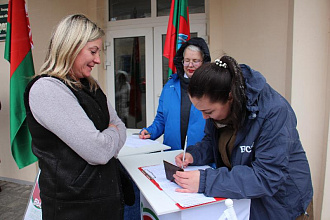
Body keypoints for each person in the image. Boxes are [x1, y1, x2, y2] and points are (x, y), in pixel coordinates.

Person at [174, 56, 313, 219]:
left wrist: (206, 181)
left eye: (209, 112)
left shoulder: (274, 112)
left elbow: (267, 177)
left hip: (282, 206)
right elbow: (212, 142)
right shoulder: (219, 108)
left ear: (230, 97)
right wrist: (194, 154)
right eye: (201, 111)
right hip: (247, 201)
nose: (204, 117)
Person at [24, 14, 130, 219]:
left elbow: (119, 124)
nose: (98, 60)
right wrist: (111, 134)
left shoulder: (90, 85)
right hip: (73, 209)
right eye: (93, 51)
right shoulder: (47, 89)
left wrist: (109, 135)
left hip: (103, 203)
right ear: (71, 47)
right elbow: (97, 150)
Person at [139, 37, 211, 150]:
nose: (190, 65)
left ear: (204, 62)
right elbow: (161, 119)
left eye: (195, 61)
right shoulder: (170, 85)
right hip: (172, 155)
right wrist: (150, 132)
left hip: (202, 156)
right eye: (187, 60)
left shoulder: (211, 87)